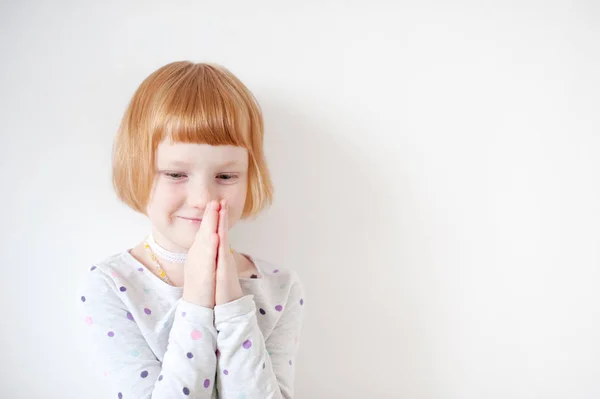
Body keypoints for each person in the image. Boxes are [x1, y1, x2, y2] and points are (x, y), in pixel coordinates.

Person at [76, 61, 305, 399]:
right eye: (175, 174)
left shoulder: (278, 287)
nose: (202, 199)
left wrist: (230, 300)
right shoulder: (113, 285)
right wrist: (197, 298)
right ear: (137, 169)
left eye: (226, 177)